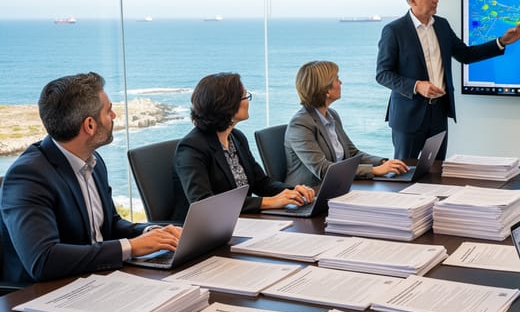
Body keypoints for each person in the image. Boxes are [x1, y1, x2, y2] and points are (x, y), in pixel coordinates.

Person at [0, 72, 181, 284]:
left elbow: (110, 224)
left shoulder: (93, 161)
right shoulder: (28, 177)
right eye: (108, 111)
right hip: (46, 295)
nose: (113, 116)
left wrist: (153, 233)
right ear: (90, 125)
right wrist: (132, 247)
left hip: (96, 279)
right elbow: (43, 260)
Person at [375, 0, 520, 160]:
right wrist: (417, 86)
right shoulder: (394, 31)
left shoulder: (441, 25)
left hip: (439, 114)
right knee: (404, 174)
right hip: (408, 118)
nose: (436, 0)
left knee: (436, 173)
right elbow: (383, 74)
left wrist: (502, 41)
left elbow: (466, 55)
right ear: (412, 0)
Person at [173, 72, 315, 220]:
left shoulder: (236, 137)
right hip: (205, 230)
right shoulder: (191, 148)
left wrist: (293, 191)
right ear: (227, 104)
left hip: (240, 220)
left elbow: (261, 183)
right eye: (245, 96)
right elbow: (204, 204)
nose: (248, 101)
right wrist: (267, 202)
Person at [285, 61, 408, 186]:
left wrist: (382, 162)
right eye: (337, 79)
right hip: (311, 193)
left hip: (338, 184)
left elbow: (352, 153)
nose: (340, 82)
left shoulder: (331, 115)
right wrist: (374, 170)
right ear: (326, 90)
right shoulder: (300, 125)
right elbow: (323, 169)